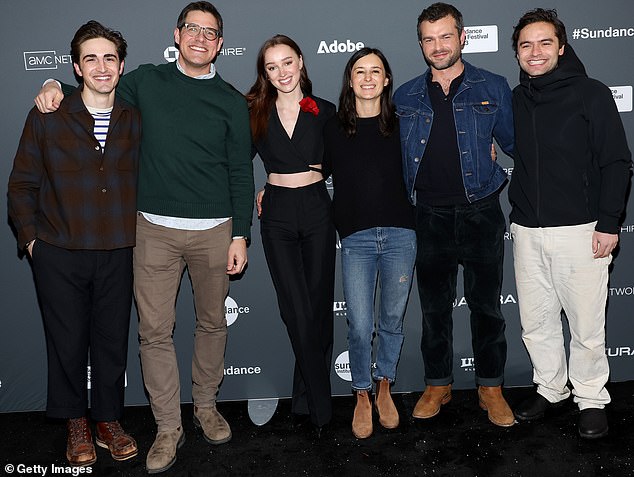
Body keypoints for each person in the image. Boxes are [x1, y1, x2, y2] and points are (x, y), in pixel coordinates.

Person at [35, 2, 253, 473]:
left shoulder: (233, 101)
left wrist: (241, 234)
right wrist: (54, 83)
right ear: (176, 35)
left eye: (210, 32)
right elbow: (94, 85)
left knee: (213, 325)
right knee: (155, 333)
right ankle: (168, 427)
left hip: (215, 231)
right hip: (152, 230)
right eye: (191, 29)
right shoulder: (145, 81)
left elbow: (240, 171)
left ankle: (206, 407)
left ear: (219, 43)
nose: (200, 38)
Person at [8, 20, 140, 466]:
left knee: (111, 340)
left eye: (109, 58)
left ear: (121, 66)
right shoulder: (48, 115)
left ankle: (107, 419)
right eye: (91, 59)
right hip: (58, 251)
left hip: (119, 249)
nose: (101, 67)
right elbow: (21, 185)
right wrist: (32, 243)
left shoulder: (134, 116)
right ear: (77, 68)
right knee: (65, 342)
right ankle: (75, 423)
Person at [509, 8, 631, 439]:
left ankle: (592, 397)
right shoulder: (516, 98)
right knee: (537, 323)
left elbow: (617, 162)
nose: (535, 52)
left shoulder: (592, 94)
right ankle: (551, 388)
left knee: (585, 325)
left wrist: (609, 223)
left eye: (545, 43)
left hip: (582, 231)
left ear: (561, 47)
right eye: (526, 45)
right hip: (526, 232)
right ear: (518, 53)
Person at [393, 2, 515, 427]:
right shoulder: (405, 94)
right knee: (433, 309)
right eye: (429, 38)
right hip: (428, 216)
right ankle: (438, 383)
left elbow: (519, 144)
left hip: (482, 211)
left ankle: (491, 387)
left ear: (462, 38)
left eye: (446, 36)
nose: (438, 45)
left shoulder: (493, 85)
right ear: (421, 44)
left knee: (487, 307)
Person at [323, 48, 416, 439]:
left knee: (391, 321)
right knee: (360, 325)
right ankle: (360, 391)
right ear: (350, 79)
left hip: (401, 235)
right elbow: (307, 170)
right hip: (357, 239)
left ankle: (383, 387)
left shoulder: (405, 124)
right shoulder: (332, 127)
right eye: (359, 71)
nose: (367, 78)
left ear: (386, 79)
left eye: (375, 71)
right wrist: (271, 188)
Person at [246, 35, 336, 435]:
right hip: (278, 213)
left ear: (301, 62)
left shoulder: (326, 112)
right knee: (296, 310)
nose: (281, 72)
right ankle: (323, 409)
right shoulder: (255, 112)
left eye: (287, 63)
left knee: (317, 311)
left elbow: (344, 161)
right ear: (264, 73)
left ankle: (304, 397)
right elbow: (230, 160)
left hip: (317, 209)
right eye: (271, 67)